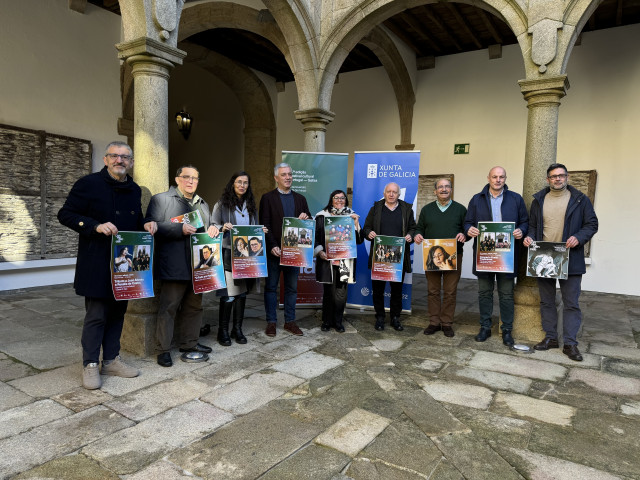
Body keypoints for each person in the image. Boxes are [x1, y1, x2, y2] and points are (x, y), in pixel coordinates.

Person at [58, 141, 157, 390]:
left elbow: (136, 219)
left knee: (117, 313)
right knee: (97, 315)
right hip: (97, 263)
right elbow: (66, 214)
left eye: (125, 157)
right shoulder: (88, 184)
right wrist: (94, 226)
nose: (119, 160)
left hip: (126, 266)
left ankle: (111, 359)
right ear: (106, 159)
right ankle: (90, 364)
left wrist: (146, 223)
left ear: (131, 162)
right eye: (114, 156)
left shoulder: (134, 189)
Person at [523, 163, 598, 361]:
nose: (558, 179)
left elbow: (592, 224)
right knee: (546, 301)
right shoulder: (539, 200)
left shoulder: (580, 199)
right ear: (548, 179)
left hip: (570, 257)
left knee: (571, 303)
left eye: (561, 176)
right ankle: (551, 338)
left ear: (567, 177)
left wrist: (578, 237)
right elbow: (532, 226)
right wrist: (529, 237)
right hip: (545, 256)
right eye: (554, 176)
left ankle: (571, 344)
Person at [145, 165, 218, 367]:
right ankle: (163, 350)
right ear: (177, 179)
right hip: (174, 264)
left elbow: (207, 229)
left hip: (199, 266)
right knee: (168, 308)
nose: (191, 181)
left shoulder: (202, 203)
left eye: (195, 178)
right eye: (186, 177)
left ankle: (190, 343)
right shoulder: (161, 199)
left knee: (194, 307)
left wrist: (213, 228)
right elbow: (151, 225)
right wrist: (179, 229)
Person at [464, 166, 528, 347]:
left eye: (501, 177)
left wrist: (521, 231)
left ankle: (506, 329)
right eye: (494, 177)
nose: (498, 180)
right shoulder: (477, 199)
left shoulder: (516, 199)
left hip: (507, 255)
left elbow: (525, 221)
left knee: (506, 294)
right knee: (484, 293)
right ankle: (485, 327)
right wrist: (470, 229)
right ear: (488, 178)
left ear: (505, 178)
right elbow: (467, 222)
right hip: (484, 254)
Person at [211, 171, 267, 346]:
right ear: (232, 184)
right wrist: (222, 227)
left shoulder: (251, 205)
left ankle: (237, 329)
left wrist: (260, 231)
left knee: (242, 294)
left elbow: (253, 228)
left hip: (246, 255)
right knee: (229, 294)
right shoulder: (221, 204)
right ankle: (223, 331)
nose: (242, 185)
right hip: (228, 252)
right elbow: (212, 225)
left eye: (245, 182)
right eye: (239, 182)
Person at [259, 162, 311, 337]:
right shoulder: (267, 198)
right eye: (284, 175)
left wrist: (306, 217)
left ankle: (290, 321)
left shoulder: (300, 199)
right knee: (271, 288)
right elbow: (264, 224)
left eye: (289, 174)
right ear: (276, 178)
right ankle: (271, 322)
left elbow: (308, 223)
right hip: (275, 252)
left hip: (294, 253)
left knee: (291, 288)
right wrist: (273, 245)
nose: (288, 177)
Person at [414, 177, 467, 337]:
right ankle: (434, 322)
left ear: (451, 189)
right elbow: (419, 228)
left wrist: (464, 235)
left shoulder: (460, 209)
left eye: (447, 187)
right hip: (432, 257)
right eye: (440, 187)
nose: (444, 189)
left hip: (452, 256)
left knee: (450, 291)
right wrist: (417, 235)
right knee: (433, 290)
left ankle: (447, 323)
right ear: (435, 190)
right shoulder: (427, 210)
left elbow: (467, 229)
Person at [363, 182, 416, 331]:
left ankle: (395, 318)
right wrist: (369, 233)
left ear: (399, 194)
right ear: (384, 193)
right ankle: (379, 317)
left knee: (397, 289)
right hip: (380, 255)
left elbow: (413, 228)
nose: (391, 194)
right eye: (388, 191)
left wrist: (410, 235)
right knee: (378, 289)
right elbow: (366, 228)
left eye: (394, 192)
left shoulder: (406, 209)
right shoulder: (376, 208)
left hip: (399, 257)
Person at [314, 190, 364, 332]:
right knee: (329, 292)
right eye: (337, 198)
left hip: (344, 261)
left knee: (341, 294)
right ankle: (326, 321)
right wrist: (320, 251)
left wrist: (355, 223)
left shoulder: (351, 216)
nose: (340, 200)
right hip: (327, 260)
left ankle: (338, 321)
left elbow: (359, 240)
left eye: (342, 198)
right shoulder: (322, 216)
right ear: (331, 200)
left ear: (346, 200)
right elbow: (316, 237)